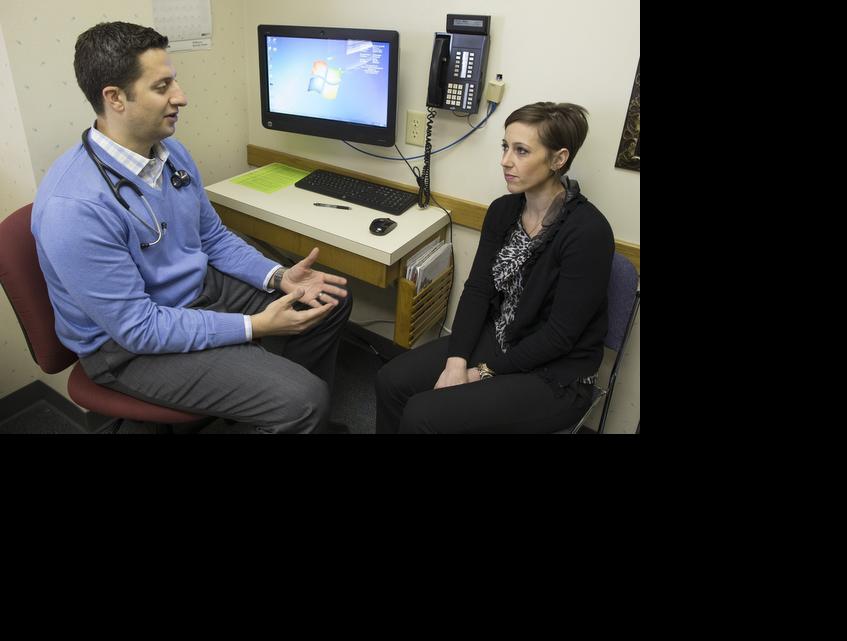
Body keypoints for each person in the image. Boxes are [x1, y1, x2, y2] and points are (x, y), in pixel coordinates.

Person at [31, 22, 352, 433]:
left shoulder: (170, 152)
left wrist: (279, 276)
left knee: (326, 302)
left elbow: (213, 238)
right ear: (115, 98)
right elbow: (138, 328)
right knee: (304, 401)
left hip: (196, 291)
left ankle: (279, 412)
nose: (181, 97)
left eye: (175, 81)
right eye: (162, 86)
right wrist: (254, 326)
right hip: (126, 347)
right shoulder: (73, 208)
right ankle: (294, 409)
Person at [375, 102, 614, 434]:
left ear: (558, 159)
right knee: (391, 380)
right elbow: (478, 290)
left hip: (556, 373)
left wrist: (479, 373)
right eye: (505, 147)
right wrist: (457, 361)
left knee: (422, 414)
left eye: (521, 151)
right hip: (502, 339)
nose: (505, 160)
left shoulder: (588, 232)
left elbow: (558, 338)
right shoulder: (503, 211)